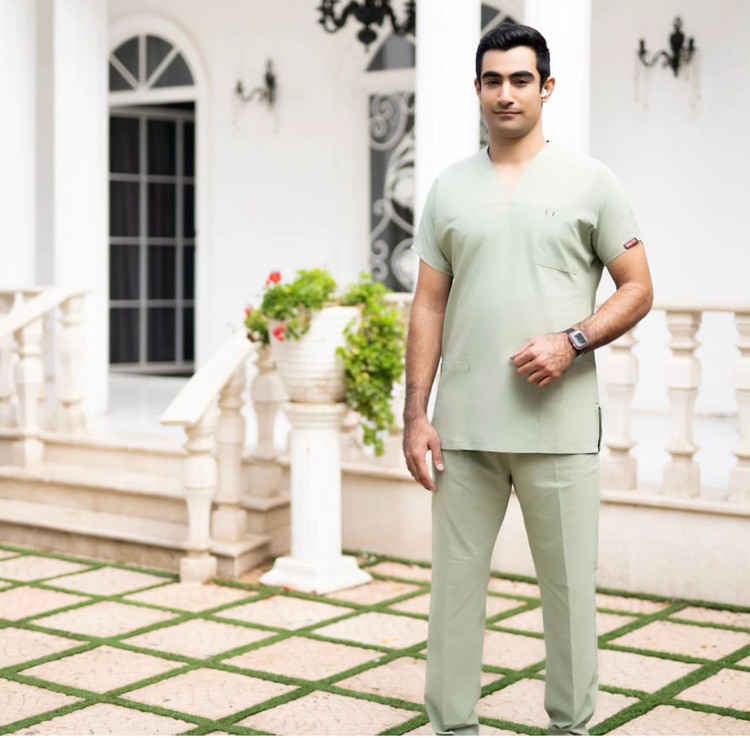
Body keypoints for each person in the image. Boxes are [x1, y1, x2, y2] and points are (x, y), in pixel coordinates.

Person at [402, 22, 653, 737]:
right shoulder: (449, 188)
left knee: (569, 595)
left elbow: (637, 287)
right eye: (493, 80)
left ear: (546, 87)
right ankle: (452, 726)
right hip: (464, 429)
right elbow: (428, 304)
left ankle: (571, 727)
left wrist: (573, 341)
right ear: (477, 89)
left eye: (520, 79)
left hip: (559, 427)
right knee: (453, 593)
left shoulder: (592, 181)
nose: (505, 93)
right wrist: (415, 414)